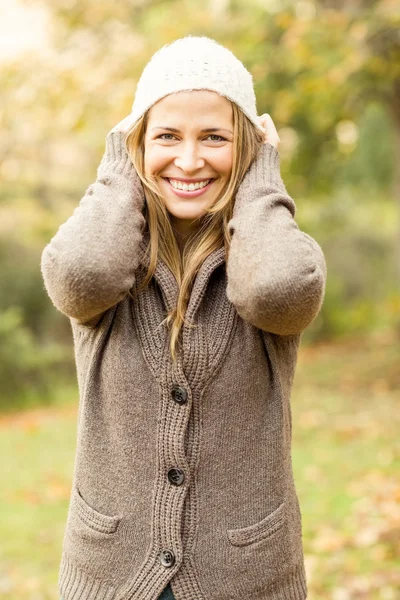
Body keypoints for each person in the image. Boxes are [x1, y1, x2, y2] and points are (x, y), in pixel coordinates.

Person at [42, 36, 327, 600]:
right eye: (166, 136)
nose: (190, 160)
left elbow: (278, 291)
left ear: (246, 148)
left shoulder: (272, 249)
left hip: (246, 578)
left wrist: (263, 176)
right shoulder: (110, 246)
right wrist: (118, 163)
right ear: (135, 146)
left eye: (215, 137)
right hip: (111, 574)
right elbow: (79, 276)